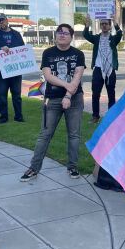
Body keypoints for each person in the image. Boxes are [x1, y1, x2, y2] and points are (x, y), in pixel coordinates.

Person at [21, 24, 85, 181]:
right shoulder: (48, 53)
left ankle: (73, 167)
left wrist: (68, 96)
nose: (62, 35)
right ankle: (33, 168)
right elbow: (48, 76)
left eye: (66, 33)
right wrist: (66, 86)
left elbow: (77, 76)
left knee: (74, 135)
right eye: (59, 33)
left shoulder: (78, 54)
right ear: (55, 35)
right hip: (53, 99)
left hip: (74, 99)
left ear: (71, 37)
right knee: (45, 134)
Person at [83, 14, 122, 123]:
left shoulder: (113, 39)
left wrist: (116, 23)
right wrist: (87, 25)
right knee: (95, 93)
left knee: (111, 93)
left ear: (110, 26)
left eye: (106, 24)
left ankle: (111, 116)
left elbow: (120, 34)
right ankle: (95, 116)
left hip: (110, 69)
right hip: (98, 69)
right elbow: (86, 35)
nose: (104, 26)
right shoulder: (96, 38)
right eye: (102, 24)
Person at [0, 13, 25, 123]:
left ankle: (19, 116)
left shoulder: (17, 34)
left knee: (17, 95)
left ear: (7, 20)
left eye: (2, 20)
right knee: (2, 95)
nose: (1, 22)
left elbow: (23, 49)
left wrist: (12, 49)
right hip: (1, 71)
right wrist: (0, 49)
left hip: (15, 70)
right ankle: (3, 118)